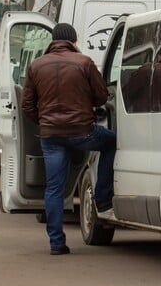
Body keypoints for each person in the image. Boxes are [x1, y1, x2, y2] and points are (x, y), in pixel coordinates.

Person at [21, 23, 116, 256]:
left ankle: (56, 243)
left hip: (51, 136)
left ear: (53, 41)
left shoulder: (36, 66)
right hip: (82, 133)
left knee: (54, 188)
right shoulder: (84, 62)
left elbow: (26, 106)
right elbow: (102, 96)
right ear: (73, 41)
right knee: (110, 141)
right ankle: (103, 198)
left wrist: (44, 121)